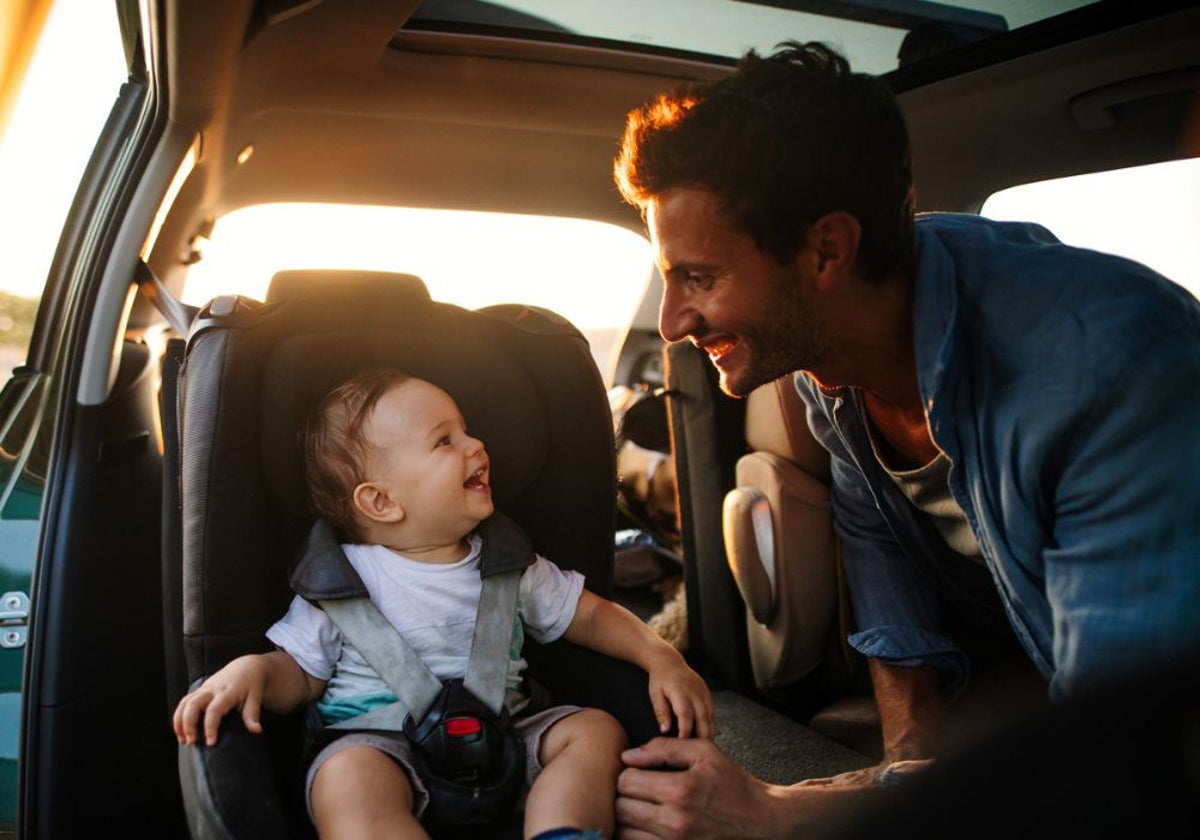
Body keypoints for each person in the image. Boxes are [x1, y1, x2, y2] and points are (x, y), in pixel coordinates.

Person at [610, 39, 1200, 839]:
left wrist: (780, 814)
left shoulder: (1107, 368)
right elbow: (882, 560)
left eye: (701, 278)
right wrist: (906, 768)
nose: (673, 322)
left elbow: (1120, 757)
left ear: (827, 250)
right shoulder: (829, 362)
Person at [173, 369, 715, 840]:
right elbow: (299, 673)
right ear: (381, 501)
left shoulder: (511, 563)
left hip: (508, 736)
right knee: (345, 778)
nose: (475, 445)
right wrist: (252, 672)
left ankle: (562, 828)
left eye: (466, 430)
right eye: (444, 441)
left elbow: (592, 614)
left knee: (595, 731)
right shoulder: (342, 582)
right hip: (381, 745)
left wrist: (659, 655)